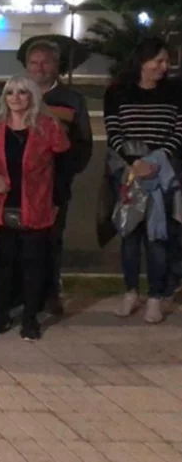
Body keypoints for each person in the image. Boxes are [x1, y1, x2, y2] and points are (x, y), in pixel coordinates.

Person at [0, 76, 70, 341]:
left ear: (32, 96)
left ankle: (30, 317)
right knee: (3, 262)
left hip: (37, 204)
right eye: (10, 93)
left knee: (34, 263)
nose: (16, 97)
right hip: (3, 204)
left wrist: (55, 201)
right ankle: (2, 311)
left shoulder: (48, 126)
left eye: (22, 92)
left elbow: (64, 167)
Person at [103, 37, 182, 323]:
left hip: (163, 171)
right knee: (130, 235)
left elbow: (179, 131)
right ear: (142, 61)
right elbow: (113, 132)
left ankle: (156, 297)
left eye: (166, 61)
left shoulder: (175, 91)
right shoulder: (117, 92)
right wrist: (134, 162)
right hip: (128, 171)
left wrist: (157, 159)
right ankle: (130, 292)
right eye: (158, 60)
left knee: (158, 236)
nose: (164, 66)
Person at [23, 40, 93, 314]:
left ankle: (50, 294)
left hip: (55, 186)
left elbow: (83, 143)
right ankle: (20, 295)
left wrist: (64, 174)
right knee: (19, 242)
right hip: (20, 186)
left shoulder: (72, 100)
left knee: (51, 240)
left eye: (46, 62)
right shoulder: (18, 95)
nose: (40, 68)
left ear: (56, 65)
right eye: (34, 63)